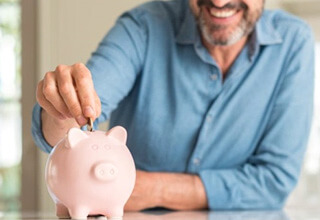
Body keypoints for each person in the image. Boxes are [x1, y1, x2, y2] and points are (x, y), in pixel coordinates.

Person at [32, 0, 315, 210]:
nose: (218, 2)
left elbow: (274, 181)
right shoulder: (142, 27)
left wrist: (150, 189)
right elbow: (74, 122)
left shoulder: (294, 43)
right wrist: (62, 110)